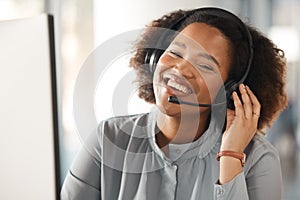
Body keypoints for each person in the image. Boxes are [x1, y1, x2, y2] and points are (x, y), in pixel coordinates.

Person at [61, 7, 288, 200]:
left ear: (229, 91)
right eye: (176, 53)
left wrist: (230, 157)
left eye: (205, 66)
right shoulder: (109, 138)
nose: (180, 69)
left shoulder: (257, 157)